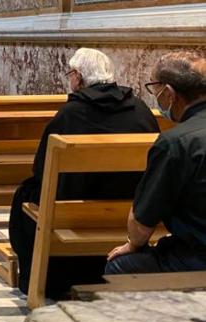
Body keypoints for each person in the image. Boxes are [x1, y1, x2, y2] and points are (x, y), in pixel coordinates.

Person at [9, 48, 158, 299]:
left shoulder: (71, 113)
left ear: (78, 77)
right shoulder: (141, 109)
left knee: (25, 193)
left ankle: (37, 277)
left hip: (73, 215)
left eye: (70, 74)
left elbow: (42, 168)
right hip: (130, 212)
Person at [106, 50, 206, 276]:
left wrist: (132, 245)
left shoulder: (175, 143)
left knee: (120, 267)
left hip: (197, 258)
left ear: (169, 94)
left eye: (155, 87)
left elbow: (140, 229)